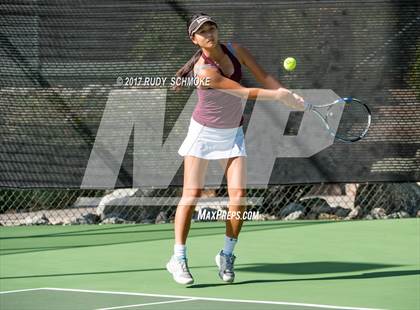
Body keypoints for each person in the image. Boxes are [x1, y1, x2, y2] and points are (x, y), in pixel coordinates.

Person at [166, 12, 306, 285]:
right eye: (202, 32)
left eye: (212, 28)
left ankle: (227, 254)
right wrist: (278, 97)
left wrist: (287, 94)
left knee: (239, 196)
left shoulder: (236, 50)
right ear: (194, 40)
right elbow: (243, 92)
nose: (209, 34)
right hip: (204, 134)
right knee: (191, 194)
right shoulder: (203, 71)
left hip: (233, 134)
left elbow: (264, 77)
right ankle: (178, 257)